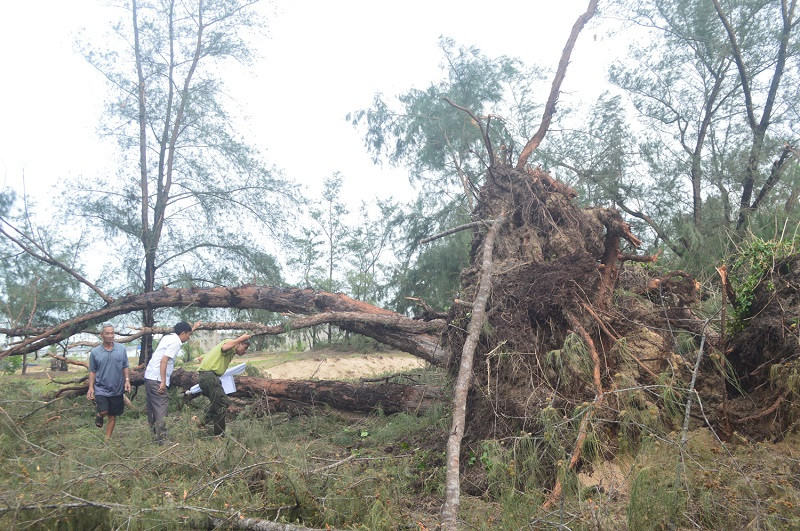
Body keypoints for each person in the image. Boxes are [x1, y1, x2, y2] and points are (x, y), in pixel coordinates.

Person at [143, 321, 196, 443]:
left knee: (152, 408)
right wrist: (162, 381)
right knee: (161, 407)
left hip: (150, 376)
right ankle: (163, 438)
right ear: (183, 333)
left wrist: (194, 327)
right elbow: (164, 361)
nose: (188, 338)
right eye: (188, 335)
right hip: (157, 378)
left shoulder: (169, 337)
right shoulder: (175, 343)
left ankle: (154, 436)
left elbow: (185, 332)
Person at [195, 333, 252, 436]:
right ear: (239, 344)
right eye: (245, 347)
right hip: (209, 378)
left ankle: (210, 428)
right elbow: (225, 347)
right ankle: (215, 432)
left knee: (220, 404)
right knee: (222, 403)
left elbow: (204, 357)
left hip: (208, 378)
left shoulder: (229, 349)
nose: (245, 351)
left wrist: (203, 359)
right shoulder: (229, 345)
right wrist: (241, 338)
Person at [87, 323, 131, 441]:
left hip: (117, 388)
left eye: (112, 333)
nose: (110, 336)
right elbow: (92, 370)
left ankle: (107, 439)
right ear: (102, 335)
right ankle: (99, 414)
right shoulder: (95, 352)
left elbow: (125, 366)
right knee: (104, 411)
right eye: (107, 333)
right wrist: (91, 388)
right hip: (101, 388)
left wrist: (127, 380)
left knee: (113, 414)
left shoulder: (121, 349)